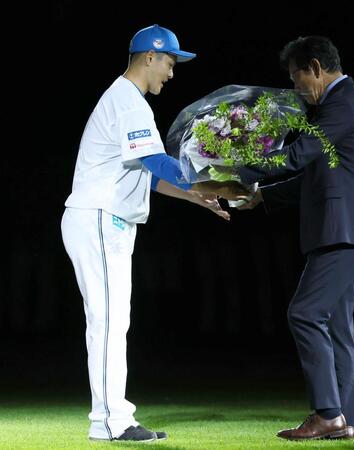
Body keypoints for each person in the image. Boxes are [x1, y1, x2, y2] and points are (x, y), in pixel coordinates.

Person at [61, 24, 247, 443]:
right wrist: (215, 183)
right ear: (149, 57)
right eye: (169, 62)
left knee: (112, 321)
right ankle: (111, 422)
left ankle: (111, 418)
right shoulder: (128, 102)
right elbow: (160, 164)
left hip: (104, 218)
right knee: (107, 322)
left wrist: (196, 197)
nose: (171, 72)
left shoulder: (127, 101)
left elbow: (147, 172)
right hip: (98, 217)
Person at [237, 36, 354, 440]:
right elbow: (314, 176)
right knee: (336, 326)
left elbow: (297, 155)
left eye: (296, 76)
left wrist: (238, 165)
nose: (295, 86)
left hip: (345, 230)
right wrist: (262, 195)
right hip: (347, 230)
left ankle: (327, 413)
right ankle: (343, 420)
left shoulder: (343, 103)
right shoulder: (340, 106)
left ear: (316, 68)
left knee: (304, 313)